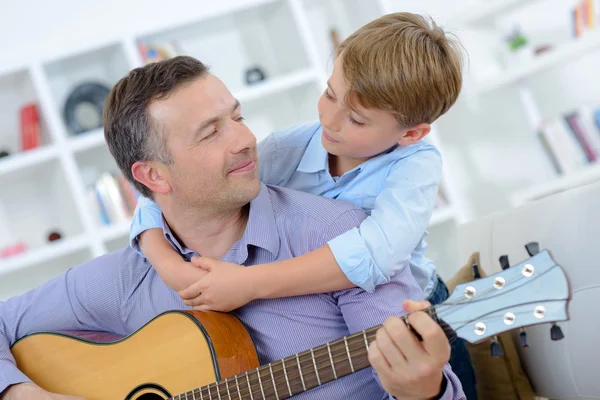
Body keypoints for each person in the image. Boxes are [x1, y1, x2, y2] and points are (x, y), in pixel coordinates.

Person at [0, 56, 465, 399]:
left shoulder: (338, 235)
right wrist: (23, 394)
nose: (245, 140)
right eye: (211, 132)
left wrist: (423, 390)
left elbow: (424, 377)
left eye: (237, 117)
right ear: (153, 176)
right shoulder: (127, 277)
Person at [129, 12, 477, 398]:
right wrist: (169, 265)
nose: (329, 118)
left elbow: (375, 256)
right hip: (328, 318)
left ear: (411, 133)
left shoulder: (417, 164)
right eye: (330, 93)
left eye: (357, 120)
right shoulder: (292, 146)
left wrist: (247, 284)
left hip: (412, 316)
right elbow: (173, 191)